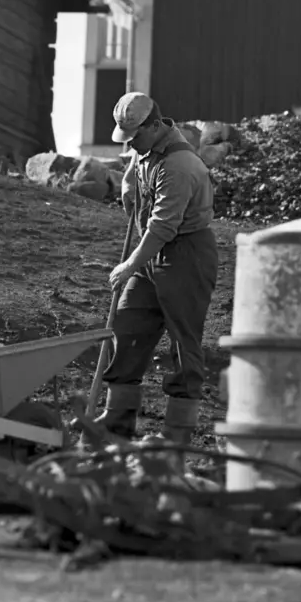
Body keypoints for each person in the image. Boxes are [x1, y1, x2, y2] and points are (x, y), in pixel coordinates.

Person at [97, 92, 219, 444]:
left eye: (135, 136)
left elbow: (164, 227)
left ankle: (176, 435)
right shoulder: (146, 148)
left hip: (186, 254)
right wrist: (127, 186)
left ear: (154, 126)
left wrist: (130, 263)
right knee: (127, 322)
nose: (130, 143)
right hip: (152, 254)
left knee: (183, 339)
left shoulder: (180, 165)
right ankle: (117, 420)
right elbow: (134, 176)